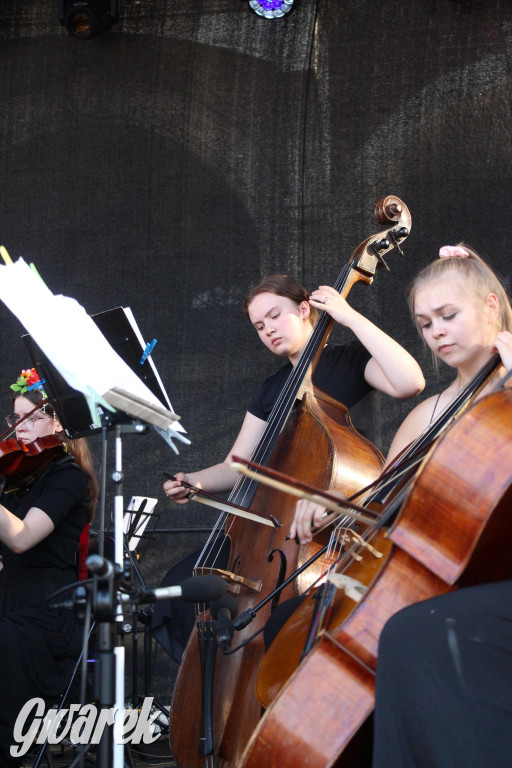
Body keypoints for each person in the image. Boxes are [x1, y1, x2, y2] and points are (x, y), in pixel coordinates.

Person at [154, 274, 424, 662]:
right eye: (259, 326)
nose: (268, 330)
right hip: (276, 530)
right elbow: (239, 466)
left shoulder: (347, 361)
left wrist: (350, 317)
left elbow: (410, 382)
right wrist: (193, 481)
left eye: (275, 316)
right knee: (182, 587)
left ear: (303, 309)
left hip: (335, 518)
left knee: (279, 620)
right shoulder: (271, 388)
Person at [290, 244, 512, 543]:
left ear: (491, 307)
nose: (437, 331)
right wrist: (333, 501)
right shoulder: (425, 416)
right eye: (426, 323)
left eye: (449, 315)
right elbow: (377, 506)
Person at [0, 368, 98, 767]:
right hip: (10, 598)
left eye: (33, 418)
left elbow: (21, 538)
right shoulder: (15, 478)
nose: (21, 429)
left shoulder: (68, 478)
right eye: (16, 419)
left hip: (46, 613)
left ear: (58, 422)